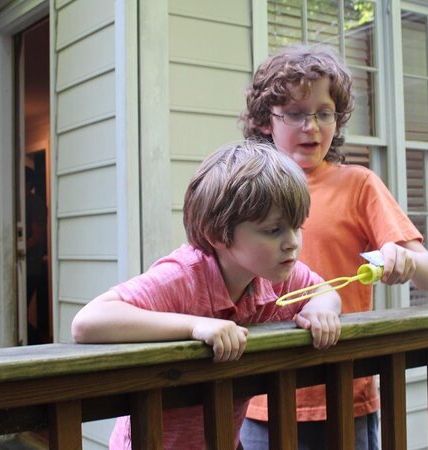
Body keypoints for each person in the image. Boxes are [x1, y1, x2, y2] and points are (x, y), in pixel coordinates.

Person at [71, 140, 342, 450]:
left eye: (297, 227)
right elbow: (88, 322)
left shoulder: (278, 276)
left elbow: (325, 292)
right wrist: (195, 326)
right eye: (273, 230)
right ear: (218, 234)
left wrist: (322, 310)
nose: (292, 242)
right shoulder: (184, 276)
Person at [240, 45, 428, 449]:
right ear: (266, 120)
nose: (311, 126)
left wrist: (404, 259)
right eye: (295, 114)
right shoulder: (247, 188)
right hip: (258, 394)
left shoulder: (358, 184)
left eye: (323, 113)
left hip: (342, 391)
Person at [25, 166, 48, 344]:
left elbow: (38, 235)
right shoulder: (23, 202)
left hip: (32, 267)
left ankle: (39, 342)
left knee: (20, 314)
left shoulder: (36, 204)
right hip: (23, 267)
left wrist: (18, 248)